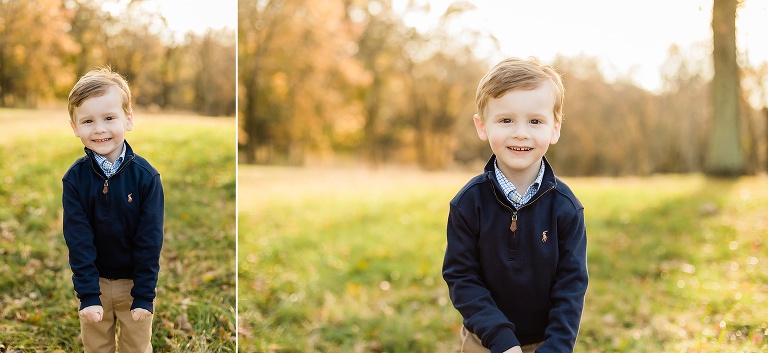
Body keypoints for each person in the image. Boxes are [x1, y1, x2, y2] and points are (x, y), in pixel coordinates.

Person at [442, 57, 588, 353]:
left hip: (546, 342)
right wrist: (501, 339)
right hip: (484, 340)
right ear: (482, 126)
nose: (521, 132)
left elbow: (571, 286)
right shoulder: (468, 204)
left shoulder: (566, 209)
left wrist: (557, 347)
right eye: (506, 120)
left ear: (555, 128)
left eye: (535, 121)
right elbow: (462, 277)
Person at [63, 67, 164, 353]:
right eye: (87, 121)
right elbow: (77, 238)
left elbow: (150, 239)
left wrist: (144, 295)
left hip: (134, 283)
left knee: (136, 346)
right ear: (75, 127)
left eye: (109, 118)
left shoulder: (147, 178)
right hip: (94, 281)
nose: (99, 129)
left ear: (128, 119)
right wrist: (87, 294)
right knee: (96, 346)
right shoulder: (75, 179)